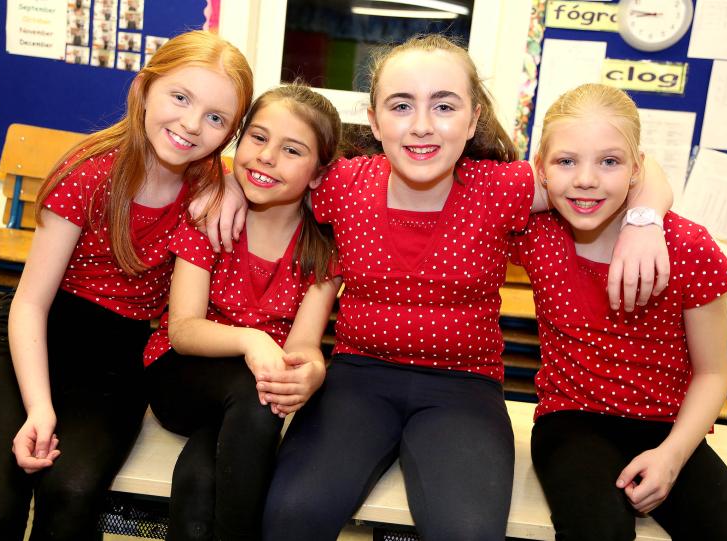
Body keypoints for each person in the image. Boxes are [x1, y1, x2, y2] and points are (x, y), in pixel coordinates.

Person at [252, 35, 673, 541]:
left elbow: (634, 165)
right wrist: (229, 195)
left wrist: (645, 220)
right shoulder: (343, 183)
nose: (422, 125)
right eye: (401, 105)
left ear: (472, 120)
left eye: (444, 106)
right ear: (375, 117)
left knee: (467, 532)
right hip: (357, 381)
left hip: (462, 390)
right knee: (290, 515)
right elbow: (264, 173)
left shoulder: (501, 188)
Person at [0, 30, 253, 541]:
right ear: (143, 90)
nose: (190, 124)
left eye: (215, 118)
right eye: (179, 97)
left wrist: (229, 182)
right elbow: (29, 303)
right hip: (33, 336)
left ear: (230, 133)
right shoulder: (88, 174)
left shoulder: (209, 186)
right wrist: (39, 409)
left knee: (71, 496)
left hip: (116, 359)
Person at [511, 83, 727, 540]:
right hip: (571, 420)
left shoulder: (686, 247)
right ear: (541, 171)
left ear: (635, 169)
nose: (586, 179)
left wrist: (671, 456)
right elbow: (468, 195)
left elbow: (713, 374)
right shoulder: (536, 233)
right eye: (566, 161)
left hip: (671, 426)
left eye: (609, 161)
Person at [142, 84, 342, 541]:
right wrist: (253, 341)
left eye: (292, 150)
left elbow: (304, 346)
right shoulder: (210, 216)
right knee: (258, 395)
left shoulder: (322, 248)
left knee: (199, 478)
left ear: (318, 173)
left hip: (252, 396)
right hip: (181, 375)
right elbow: (183, 330)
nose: (267, 157)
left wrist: (311, 372)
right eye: (257, 137)